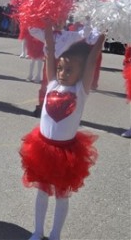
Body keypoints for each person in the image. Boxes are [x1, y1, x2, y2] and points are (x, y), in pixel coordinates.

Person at [20, 25, 104, 240]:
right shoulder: (52, 84)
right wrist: (48, 35)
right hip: (42, 147)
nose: (62, 73)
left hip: (66, 152)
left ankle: (55, 234)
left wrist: (101, 38)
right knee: (41, 191)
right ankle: (37, 231)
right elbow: (49, 56)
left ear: (81, 72)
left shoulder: (80, 90)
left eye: (69, 70)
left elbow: (92, 62)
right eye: (60, 69)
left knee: (61, 195)